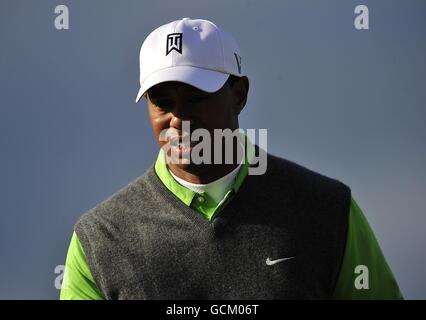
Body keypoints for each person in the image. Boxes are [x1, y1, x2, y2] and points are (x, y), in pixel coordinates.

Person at [60, 17, 402, 300]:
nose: (178, 119)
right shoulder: (101, 238)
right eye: (162, 102)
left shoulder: (327, 210)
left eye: (196, 98)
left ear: (239, 95)